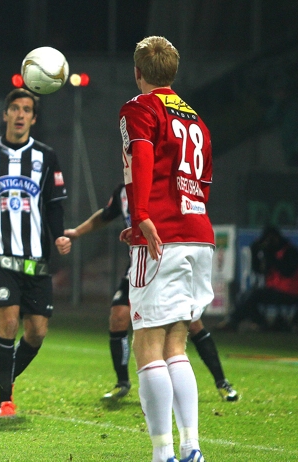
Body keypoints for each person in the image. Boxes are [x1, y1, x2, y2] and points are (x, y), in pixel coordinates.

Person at [118, 36, 214, 462]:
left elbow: (141, 157)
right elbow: (203, 181)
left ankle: (162, 454)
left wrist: (141, 214)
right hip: (198, 234)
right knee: (177, 342)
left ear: (138, 72)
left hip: (162, 237)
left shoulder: (139, 108)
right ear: (173, 72)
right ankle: (191, 447)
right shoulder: (196, 119)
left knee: (147, 344)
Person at [65, 183, 238, 402]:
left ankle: (222, 382)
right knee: (118, 316)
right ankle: (122, 383)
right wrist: (77, 232)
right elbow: (107, 214)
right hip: (139, 266)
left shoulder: (161, 184)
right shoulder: (123, 191)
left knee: (192, 322)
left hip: (168, 262)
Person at [0, 88, 72, 418]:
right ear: (6, 114)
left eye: (27, 110)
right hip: (0, 253)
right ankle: (4, 399)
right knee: (8, 322)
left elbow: (54, 205)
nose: (21, 114)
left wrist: (59, 237)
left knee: (37, 331)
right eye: (15, 108)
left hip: (36, 255)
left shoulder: (46, 156)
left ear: (33, 119)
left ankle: (5, 376)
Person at [218, 226, 298, 332]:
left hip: (290, 292)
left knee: (253, 296)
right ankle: (242, 321)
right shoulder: (272, 252)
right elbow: (259, 271)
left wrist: (271, 256)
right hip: (275, 290)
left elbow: (287, 272)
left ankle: (241, 321)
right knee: (245, 296)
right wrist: (255, 252)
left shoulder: (290, 252)